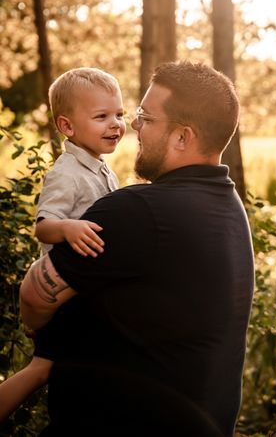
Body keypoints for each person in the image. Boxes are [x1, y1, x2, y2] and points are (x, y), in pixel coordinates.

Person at [20, 61, 255, 437]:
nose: (132, 125)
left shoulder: (139, 210)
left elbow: (35, 295)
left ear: (182, 137)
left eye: (145, 117)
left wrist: (36, 330)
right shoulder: (228, 206)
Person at [0, 67, 125, 424]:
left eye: (119, 114)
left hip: (81, 292)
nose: (115, 124)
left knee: (65, 369)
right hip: (62, 293)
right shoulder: (66, 173)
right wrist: (67, 228)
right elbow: (44, 227)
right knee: (41, 370)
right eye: (101, 116)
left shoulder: (101, 169)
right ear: (67, 126)